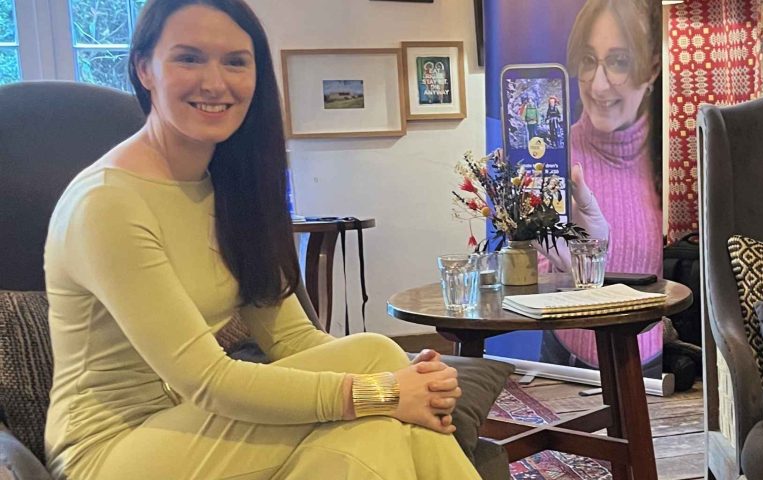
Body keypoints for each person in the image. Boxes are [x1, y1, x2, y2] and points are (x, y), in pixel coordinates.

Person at [41, 1, 478, 479]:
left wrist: (410, 388)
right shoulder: (108, 203)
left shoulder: (233, 186)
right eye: (188, 58)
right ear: (145, 69)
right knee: (376, 402)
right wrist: (384, 393)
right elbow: (209, 380)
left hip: (194, 422)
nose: (214, 82)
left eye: (234, 61)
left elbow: (292, 339)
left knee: (374, 368)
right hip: (112, 450)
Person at [537, 0, 664, 371]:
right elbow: (535, 280)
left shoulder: (677, 161)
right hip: (564, 364)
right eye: (588, 60)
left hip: (661, 372)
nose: (598, 83)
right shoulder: (551, 152)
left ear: (652, 68)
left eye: (620, 62)